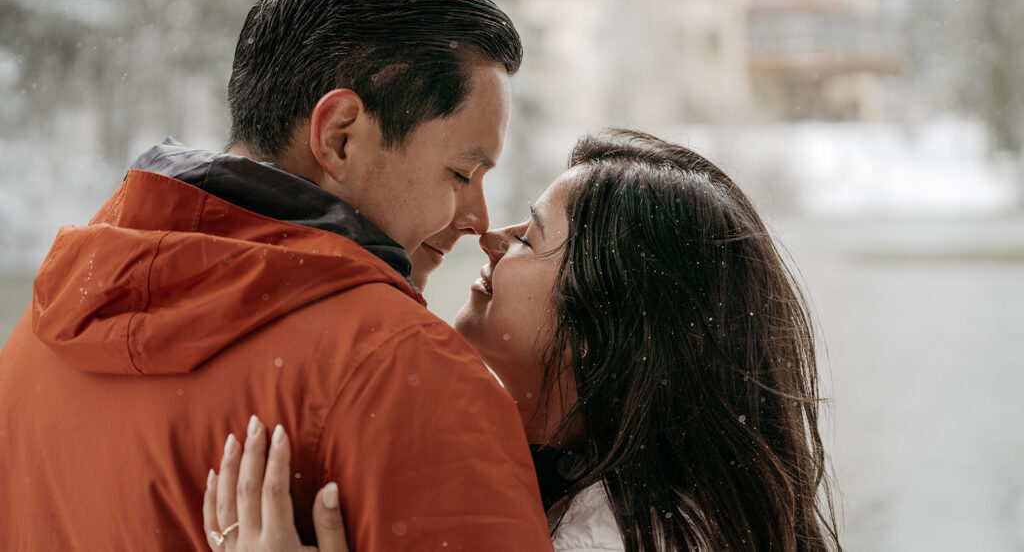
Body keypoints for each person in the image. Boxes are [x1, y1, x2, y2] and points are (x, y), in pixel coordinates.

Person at [0, 0, 554, 550]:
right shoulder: (401, 372)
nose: (478, 219)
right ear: (340, 137)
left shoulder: (42, 334)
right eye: (460, 174)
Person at [206, 129, 843, 551]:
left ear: (604, 321)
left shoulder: (610, 538)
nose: (490, 237)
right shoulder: (590, 497)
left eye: (531, 237)